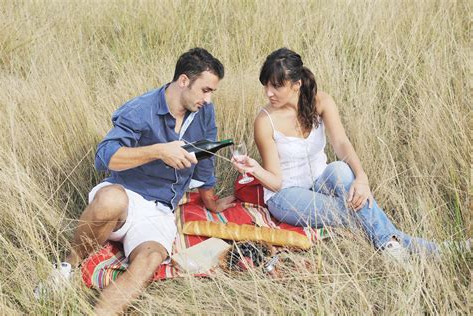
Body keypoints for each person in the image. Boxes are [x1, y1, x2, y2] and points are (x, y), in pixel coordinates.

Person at [36, 48, 236, 314]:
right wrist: (159, 150)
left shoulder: (203, 112)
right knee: (110, 199)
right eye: (205, 90)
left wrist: (210, 201)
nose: (208, 99)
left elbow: (206, 154)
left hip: (160, 210)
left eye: (212, 92)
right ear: (184, 81)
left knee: (149, 260)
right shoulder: (141, 109)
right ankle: (66, 268)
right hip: (125, 197)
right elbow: (104, 157)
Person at [232, 48, 448, 260]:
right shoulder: (264, 121)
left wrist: (362, 178)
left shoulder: (321, 102)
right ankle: (427, 249)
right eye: (266, 85)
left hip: (320, 180)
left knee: (342, 170)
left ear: (297, 85)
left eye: (277, 86)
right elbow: (276, 183)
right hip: (286, 195)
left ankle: (392, 245)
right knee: (356, 209)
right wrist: (256, 170)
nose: (269, 92)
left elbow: (341, 143)